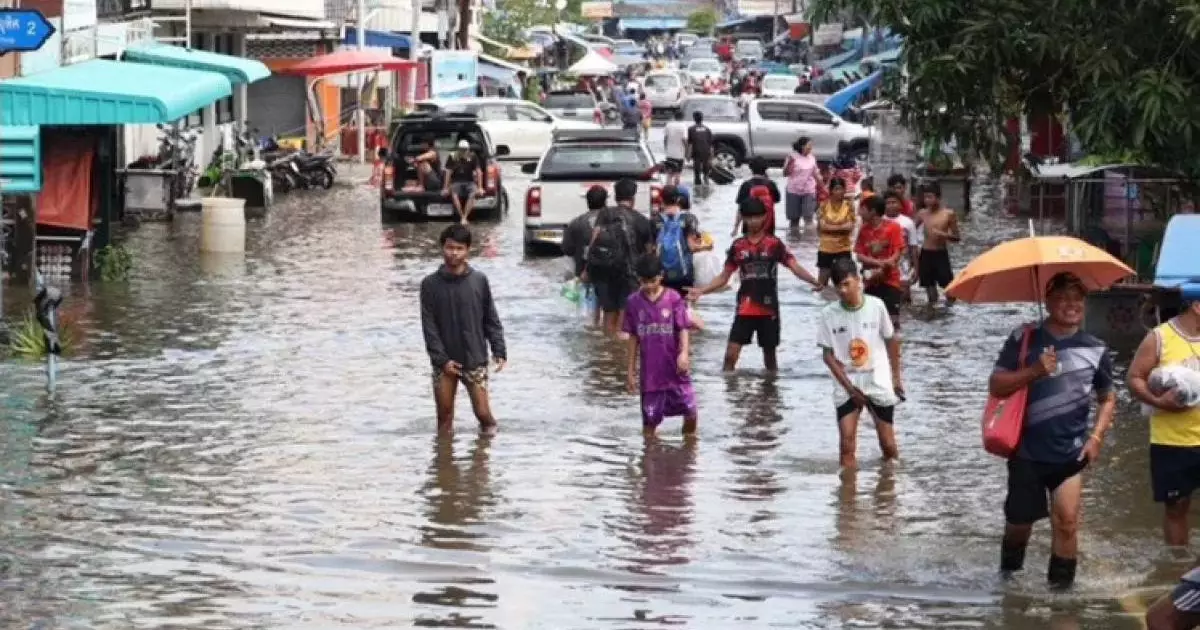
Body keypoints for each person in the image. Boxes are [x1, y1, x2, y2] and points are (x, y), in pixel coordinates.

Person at [989, 272, 1116, 590]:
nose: (1071, 305)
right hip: (1026, 452)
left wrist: (1097, 436)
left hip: (1070, 452)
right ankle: (1008, 586)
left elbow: (1108, 397)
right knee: (1019, 527)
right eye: (1062, 298)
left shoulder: (1096, 348)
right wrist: (1033, 371)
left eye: (1077, 298)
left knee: (1068, 523)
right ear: (1048, 302)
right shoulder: (1024, 338)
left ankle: (1061, 598)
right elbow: (996, 385)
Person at [688, 197, 822, 371]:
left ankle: (771, 392)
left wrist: (813, 280)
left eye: (757, 217)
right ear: (743, 218)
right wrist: (702, 291)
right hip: (744, 308)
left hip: (769, 309)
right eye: (749, 217)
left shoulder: (774, 244)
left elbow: (793, 266)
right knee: (730, 357)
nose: (753, 221)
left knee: (770, 359)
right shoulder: (738, 246)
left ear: (765, 217)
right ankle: (731, 393)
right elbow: (724, 276)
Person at [1127, 297, 1200, 547]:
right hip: (1172, 440)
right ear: (1197, 305)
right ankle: (1177, 567)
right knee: (1176, 508)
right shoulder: (1159, 337)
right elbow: (1135, 377)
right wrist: (1159, 402)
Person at [420, 225, 508, 433]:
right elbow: (428, 326)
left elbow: (490, 318)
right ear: (442, 248)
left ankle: (484, 458)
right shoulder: (430, 284)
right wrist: (442, 360)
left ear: (468, 250)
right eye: (450, 248)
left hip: (474, 358)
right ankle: (444, 462)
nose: (454, 253)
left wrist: (499, 350)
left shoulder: (479, 281)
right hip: (444, 362)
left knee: (484, 415)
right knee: (444, 418)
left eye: (459, 248)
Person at [818, 257, 903, 470]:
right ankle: (848, 495)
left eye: (847, 284)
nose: (843, 291)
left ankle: (887, 490)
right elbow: (828, 356)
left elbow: (891, 340)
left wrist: (896, 379)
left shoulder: (877, 306)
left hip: (877, 378)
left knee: (888, 445)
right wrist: (850, 389)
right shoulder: (828, 314)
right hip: (847, 381)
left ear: (858, 280)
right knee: (846, 444)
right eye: (839, 287)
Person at [624, 253, 698, 437]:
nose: (649, 286)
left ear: (661, 276)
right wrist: (630, 371)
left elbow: (683, 328)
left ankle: (688, 449)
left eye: (653, 281)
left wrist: (684, 354)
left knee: (691, 411)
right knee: (650, 422)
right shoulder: (633, 302)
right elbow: (633, 338)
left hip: (675, 369)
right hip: (650, 374)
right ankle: (650, 457)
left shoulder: (673, 298)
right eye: (644, 282)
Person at [585, 178, 655, 337]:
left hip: (604, 272)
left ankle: (607, 355)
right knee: (625, 321)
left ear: (615, 196)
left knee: (608, 316)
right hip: (629, 275)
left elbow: (594, 241)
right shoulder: (642, 221)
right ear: (633, 198)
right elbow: (649, 253)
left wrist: (587, 269)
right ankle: (620, 356)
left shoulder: (605, 213)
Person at [854, 195, 907, 329]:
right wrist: (878, 264)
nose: (859, 212)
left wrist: (888, 263)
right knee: (869, 322)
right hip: (870, 281)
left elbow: (897, 251)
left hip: (890, 280)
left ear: (873, 212)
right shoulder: (863, 230)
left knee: (893, 322)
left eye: (862, 209)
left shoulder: (893, 227)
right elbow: (859, 255)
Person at [561, 186, 609, 327]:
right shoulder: (613, 222)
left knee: (587, 318)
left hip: (585, 274)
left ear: (587, 202)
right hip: (609, 275)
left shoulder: (576, 223)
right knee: (608, 314)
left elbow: (567, 249)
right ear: (605, 202)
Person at [916, 181, 961, 309]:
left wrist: (943, 234)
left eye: (930, 197)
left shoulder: (948, 214)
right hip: (925, 253)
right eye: (925, 197)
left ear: (938, 198)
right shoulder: (922, 213)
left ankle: (949, 312)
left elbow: (957, 237)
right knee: (930, 290)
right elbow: (911, 231)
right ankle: (932, 313)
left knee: (950, 290)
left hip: (941, 254)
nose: (927, 200)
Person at [652, 185, 703, 295]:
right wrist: (707, 247)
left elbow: (651, 249)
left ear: (661, 199)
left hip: (661, 275)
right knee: (684, 307)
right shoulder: (689, 219)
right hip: (684, 274)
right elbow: (692, 247)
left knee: (663, 305)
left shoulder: (655, 220)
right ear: (678, 199)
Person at [815, 177, 856, 290]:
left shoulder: (849, 206)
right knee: (821, 285)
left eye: (842, 189)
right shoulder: (823, 205)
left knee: (845, 283)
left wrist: (830, 227)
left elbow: (850, 227)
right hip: (826, 248)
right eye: (836, 189)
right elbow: (822, 226)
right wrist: (841, 227)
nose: (840, 192)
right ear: (831, 191)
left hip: (843, 248)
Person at [884, 190, 921, 302]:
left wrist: (916, 268)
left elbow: (913, 246)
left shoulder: (907, 222)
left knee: (905, 294)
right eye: (888, 202)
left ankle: (907, 318)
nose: (891, 205)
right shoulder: (880, 220)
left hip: (903, 262)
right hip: (885, 261)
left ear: (900, 205)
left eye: (894, 202)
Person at [783, 136, 822, 234]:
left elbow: (816, 174)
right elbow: (785, 173)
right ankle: (794, 242)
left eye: (811, 146)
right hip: (793, 191)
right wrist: (790, 164)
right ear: (802, 146)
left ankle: (808, 244)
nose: (810, 148)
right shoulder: (792, 157)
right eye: (808, 146)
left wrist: (824, 187)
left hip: (809, 191)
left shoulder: (812, 158)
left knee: (809, 218)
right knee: (794, 219)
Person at [734, 156, 781, 235]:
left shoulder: (746, 185)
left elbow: (740, 209)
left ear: (751, 169)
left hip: (748, 228)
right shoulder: (771, 185)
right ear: (765, 169)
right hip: (768, 227)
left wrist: (735, 228)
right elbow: (776, 200)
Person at [442, 139, 483, 226]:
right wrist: (445, 188)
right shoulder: (452, 156)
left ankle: (464, 217)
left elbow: (479, 172)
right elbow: (448, 172)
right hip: (456, 182)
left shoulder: (472, 156)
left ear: (468, 149)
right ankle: (462, 217)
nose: (463, 151)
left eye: (465, 149)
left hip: (469, 182)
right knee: (454, 194)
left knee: (472, 194)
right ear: (458, 149)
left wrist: (480, 187)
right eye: (461, 149)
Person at [686, 111, 714, 187]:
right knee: (706, 173)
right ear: (702, 119)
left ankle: (698, 187)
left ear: (694, 119)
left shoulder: (691, 129)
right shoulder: (707, 129)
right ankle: (706, 185)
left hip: (696, 152)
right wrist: (712, 157)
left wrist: (688, 155)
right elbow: (711, 145)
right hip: (706, 152)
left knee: (697, 173)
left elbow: (690, 144)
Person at [662, 110, 688, 187]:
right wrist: (687, 151)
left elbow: (665, 139)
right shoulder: (683, 126)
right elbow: (684, 140)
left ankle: (668, 189)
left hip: (669, 153)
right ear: (682, 117)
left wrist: (666, 149)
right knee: (678, 173)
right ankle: (676, 189)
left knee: (669, 173)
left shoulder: (669, 125)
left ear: (674, 117)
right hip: (679, 154)